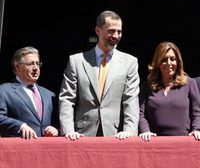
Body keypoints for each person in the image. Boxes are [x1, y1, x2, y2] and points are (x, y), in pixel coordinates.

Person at [59, 10, 140, 140]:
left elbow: (131, 100)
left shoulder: (130, 62)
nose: (116, 35)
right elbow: (67, 99)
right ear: (98, 30)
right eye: (111, 31)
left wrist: (129, 131)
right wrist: (68, 131)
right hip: (81, 135)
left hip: (116, 135)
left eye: (119, 31)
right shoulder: (77, 61)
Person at [139, 41, 200, 141]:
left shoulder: (189, 83)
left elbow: (197, 113)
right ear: (157, 62)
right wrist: (145, 131)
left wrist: (196, 129)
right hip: (154, 142)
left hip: (183, 142)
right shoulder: (147, 86)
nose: (169, 63)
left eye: (172, 59)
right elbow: (141, 114)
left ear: (178, 61)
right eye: (164, 59)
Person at [0, 46, 59, 139]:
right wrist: (20, 126)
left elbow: (58, 120)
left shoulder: (49, 94)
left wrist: (56, 129)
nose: (35, 68)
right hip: (19, 148)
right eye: (30, 64)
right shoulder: (4, 90)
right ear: (17, 66)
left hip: (45, 149)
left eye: (37, 63)